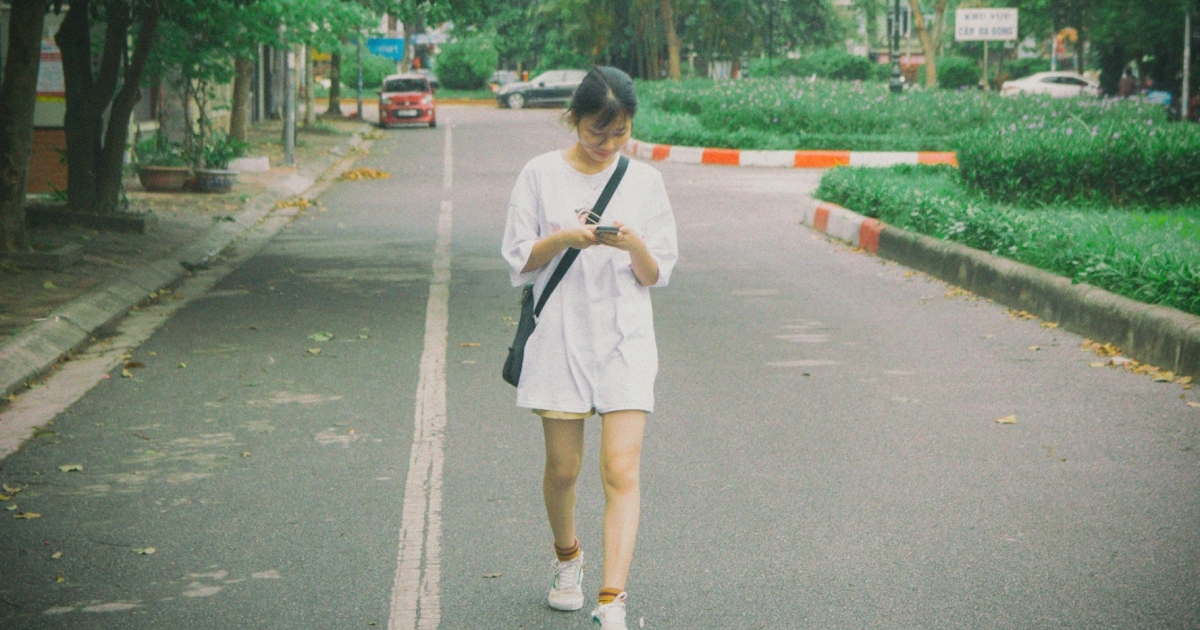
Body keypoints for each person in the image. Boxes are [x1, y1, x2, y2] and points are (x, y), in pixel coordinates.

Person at [501, 66, 678, 630]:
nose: (607, 144)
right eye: (597, 131)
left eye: (619, 132)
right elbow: (518, 260)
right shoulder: (539, 174)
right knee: (563, 469)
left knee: (621, 469)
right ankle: (567, 559)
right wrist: (564, 238)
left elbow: (655, 274)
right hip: (560, 336)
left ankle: (612, 600)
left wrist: (634, 245)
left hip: (626, 338)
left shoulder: (645, 181)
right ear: (573, 118)